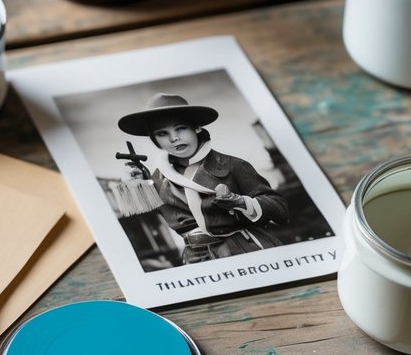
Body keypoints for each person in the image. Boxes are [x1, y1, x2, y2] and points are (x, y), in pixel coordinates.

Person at [118, 93, 289, 264]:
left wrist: (241, 202)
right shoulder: (156, 179)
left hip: (243, 249)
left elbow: (280, 208)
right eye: (162, 133)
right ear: (155, 140)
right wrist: (136, 187)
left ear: (197, 127)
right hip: (195, 258)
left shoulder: (232, 165)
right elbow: (143, 222)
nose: (174, 138)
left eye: (181, 128)